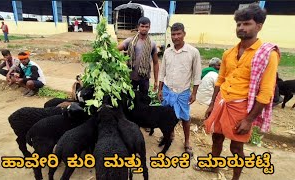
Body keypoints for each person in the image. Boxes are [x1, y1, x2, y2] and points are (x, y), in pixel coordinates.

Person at [194, 4, 280, 180]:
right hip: (222, 101)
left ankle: (235, 178)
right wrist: (212, 104)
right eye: (239, 24)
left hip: (242, 108)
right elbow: (220, 80)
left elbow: (266, 91)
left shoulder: (267, 55)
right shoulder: (229, 53)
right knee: (216, 138)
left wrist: (249, 119)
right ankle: (213, 166)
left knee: (236, 148)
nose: (241, 28)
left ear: (259, 26)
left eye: (246, 23)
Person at [158, 22, 202, 157]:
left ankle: (187, 141)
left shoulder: (193, 52)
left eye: (178, 34)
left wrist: (194, 93)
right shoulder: (167, 52)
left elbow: (197, 74)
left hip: (183, 91)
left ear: (184, 34)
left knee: (185, 117)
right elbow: (162, 72)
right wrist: (159, 90)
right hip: (167, 89)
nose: (176, 37)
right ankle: (169, 135)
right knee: (167, 115)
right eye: (173, 34)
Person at [117, 17, 159, 96]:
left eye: (146, 27)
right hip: (131, 77)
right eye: (142, 26)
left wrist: (156, 80)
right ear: (138, 27)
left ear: (149, 28)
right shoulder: (130, 41)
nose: (144, 29)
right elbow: (116, 50)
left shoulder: (152, 44)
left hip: (145, 78)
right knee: (130, 99)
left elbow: (156, 63)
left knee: (143, 100)